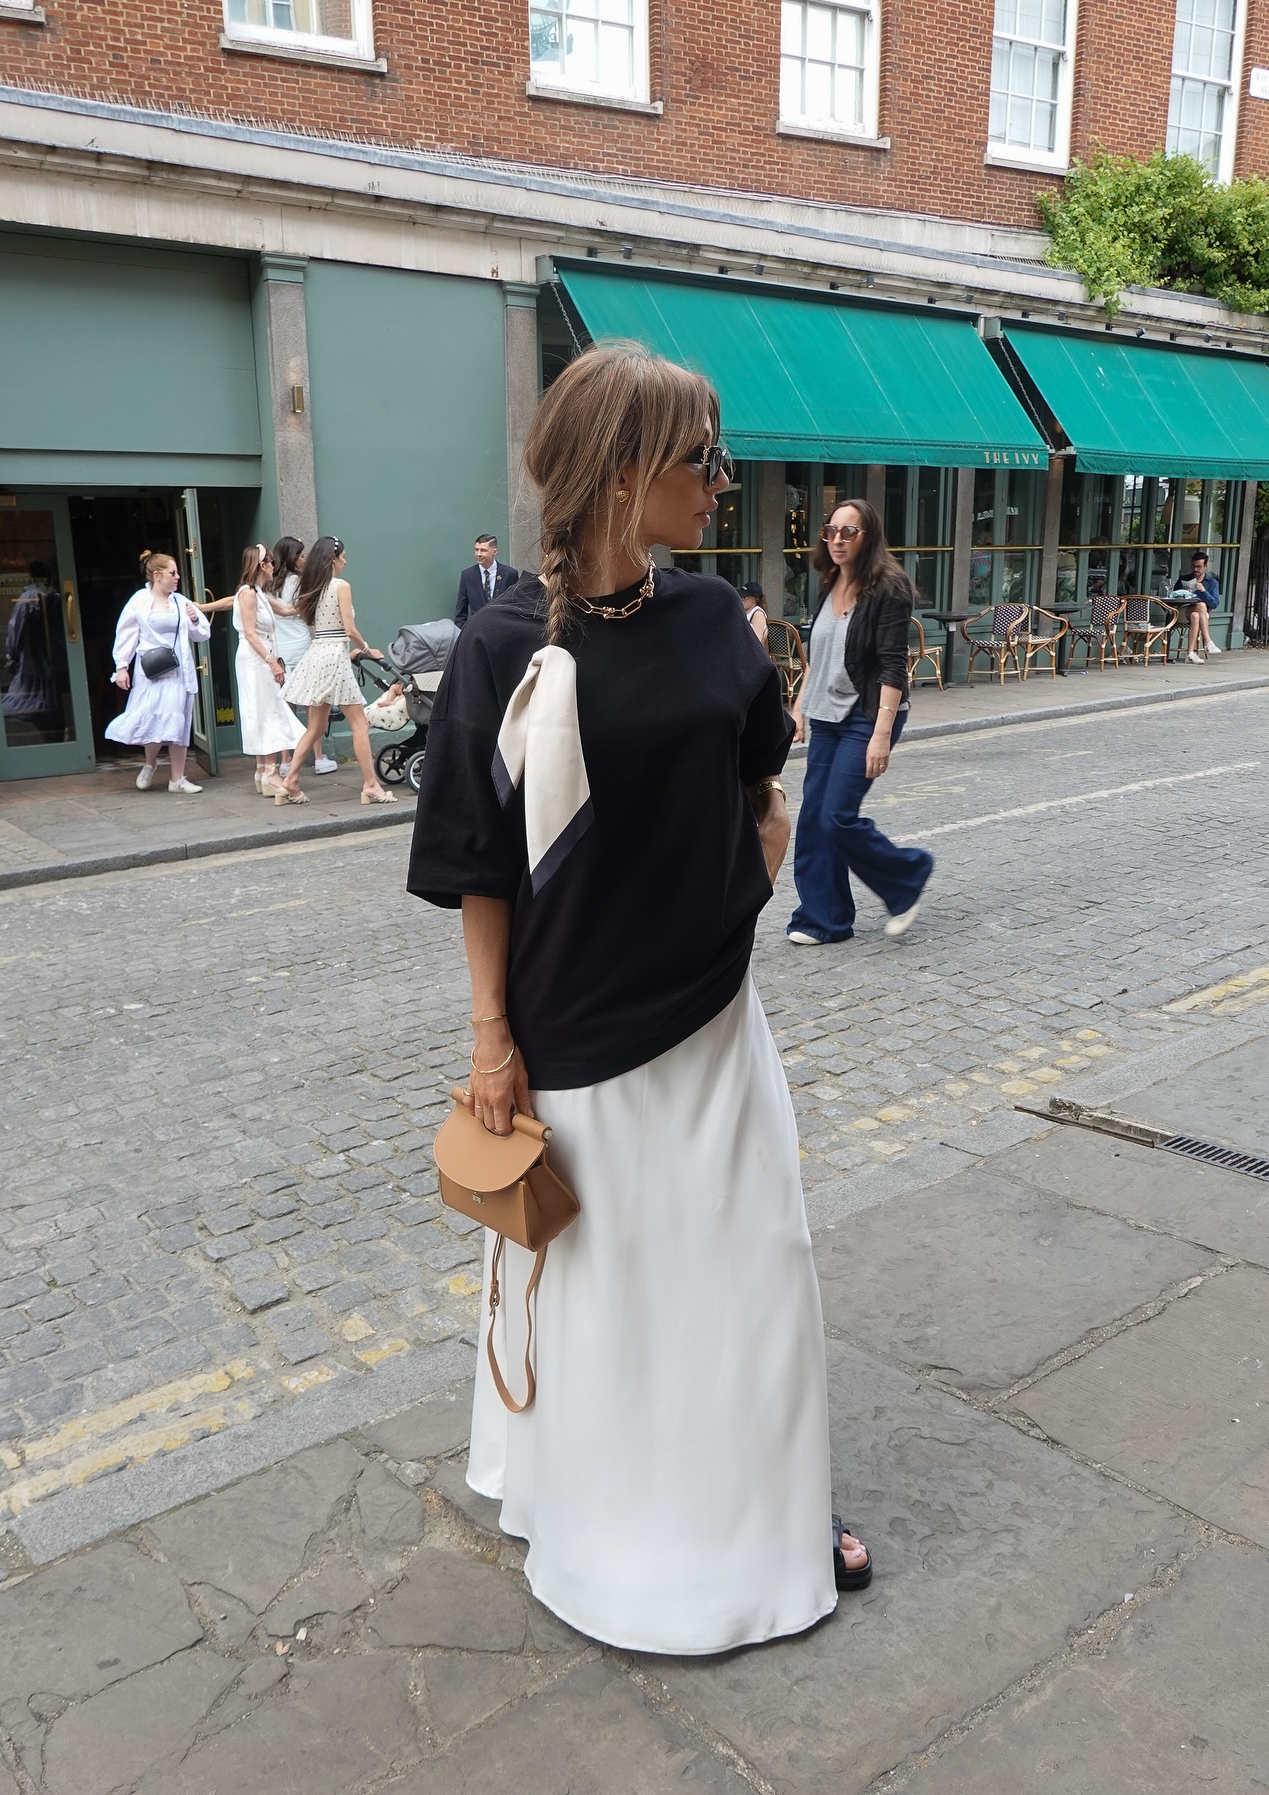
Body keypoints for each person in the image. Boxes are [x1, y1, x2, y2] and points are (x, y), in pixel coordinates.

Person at [407, 341, 869, 1655]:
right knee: (622, 1307)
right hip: (581, 1044)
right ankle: (627, 1542)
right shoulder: (503, 649)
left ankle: (763, 1526)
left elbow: (759, 782)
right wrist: (493, 1045)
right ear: (622, 473)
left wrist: (745, 874)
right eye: (700, 459)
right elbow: (479, 867)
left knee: (753, 1277)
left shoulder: (719, 618)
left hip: (716, 1025)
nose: (723, 480)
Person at [786, 499, 933, 946]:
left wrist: (881, 735)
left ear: (869, 537)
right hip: (827, 716)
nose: (837, 540)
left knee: (837, 817)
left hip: (867, 716)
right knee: (813, 817)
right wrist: (798, 708)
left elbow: (894, 665)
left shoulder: (890, 588)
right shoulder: (830, 582)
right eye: (831, 530)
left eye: (849, 532)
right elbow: (817, 656)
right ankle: (823, 919)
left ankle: (908, 875)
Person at [280, 537, 395, 804]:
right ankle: (370, 785)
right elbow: (349, 629)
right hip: (334, 656)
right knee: (360, 724)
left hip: (318, 653)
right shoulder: (341, 586)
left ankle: (291, 780)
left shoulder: (313, 587)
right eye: (343, 555)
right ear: (333, 558)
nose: (345, 560)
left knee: (315, 727)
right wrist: (366, 648)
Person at [105, 550, 211, 793]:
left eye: (176, 573)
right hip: (151, 673)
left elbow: (202, 634)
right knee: (153, 718)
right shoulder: (140, 601)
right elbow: (126, 634)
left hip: (178, 671)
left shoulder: (180, 601)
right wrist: (121, 666)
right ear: (157, 575)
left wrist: (195, 619)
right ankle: (150, 764)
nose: (177, 577)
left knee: (179, 722)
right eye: (172, 573)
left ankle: (177, 779)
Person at [232, 542, 305, 798]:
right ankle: (270, 772)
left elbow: (286, 609)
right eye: (271, 562)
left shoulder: (258, 592)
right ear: (261, 566)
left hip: (258, 657)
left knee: (264, 710)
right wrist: (271, 661)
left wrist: (314, 600)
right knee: (266, 711)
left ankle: (263, 770)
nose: (274, 566)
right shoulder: (248, 594)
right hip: (256, 659)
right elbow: (251, 633)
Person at [264, 535, 336, 779]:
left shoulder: (269, 585)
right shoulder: (301, 582)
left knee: (286, 704)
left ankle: (285, 760)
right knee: (312, 702)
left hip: (280, 648)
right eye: (302, 555)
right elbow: (308, 611)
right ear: (292, 557)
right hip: (302, 644)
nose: (305, 559)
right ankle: (318, 758)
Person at [455, 534, 520, 627]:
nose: (479, 554)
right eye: (476, 550)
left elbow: (516, 605)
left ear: (494, 551)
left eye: (483, 550)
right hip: (477, 630)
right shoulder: (468, 576)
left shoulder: (509, 574)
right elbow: (461, 610)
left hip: (503, 628)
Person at [1182, 550, 1223, 661]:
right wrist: (1184, 592)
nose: (1195, 569)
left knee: (1196, 615)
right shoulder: (1184, 579)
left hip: (1200, 615)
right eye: (1194, 566)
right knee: (1202, 606)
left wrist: (1204, 591)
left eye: (1199, 567)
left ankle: (1190, 653)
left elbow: (1214, 604)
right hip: (1183, 611)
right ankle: (1208, 641)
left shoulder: (1212, 582)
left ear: (1206, 566)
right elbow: (1172, 595)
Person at [740, 579, 770, 647]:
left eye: (745, 597)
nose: (742, 600)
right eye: (740, 597)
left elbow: (756, 641)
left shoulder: (758, 614)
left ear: (755, 599)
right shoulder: (743, 611)